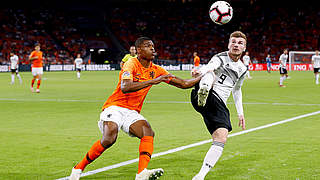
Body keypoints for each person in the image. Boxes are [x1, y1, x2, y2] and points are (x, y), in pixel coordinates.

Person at [69, 37, 203, 180]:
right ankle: (78, 169)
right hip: (115, 106)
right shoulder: (130, 64)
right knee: (109, 138)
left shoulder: (157, 70)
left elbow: (183, 83)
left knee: (147, 132)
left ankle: (141, 173)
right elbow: (125, 87)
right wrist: (153, 81)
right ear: (139, 50)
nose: (152, 49)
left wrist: (204, 76)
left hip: (131, 112)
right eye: (148, 46)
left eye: (153, 46)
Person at [190, 31, 248, 180]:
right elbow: (210, 66)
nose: (236, 45)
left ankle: (200, 175)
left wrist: (240, 113)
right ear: (228, 44)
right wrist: (199, 71)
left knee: (221, 137)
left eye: (240, 43)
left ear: (244, 48)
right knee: (209, 73)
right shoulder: (220, 57)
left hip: (217, 105)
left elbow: (237, 90)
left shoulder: (242, 68)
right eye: (233, 41)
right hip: (206, 93)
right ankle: (204, 89)